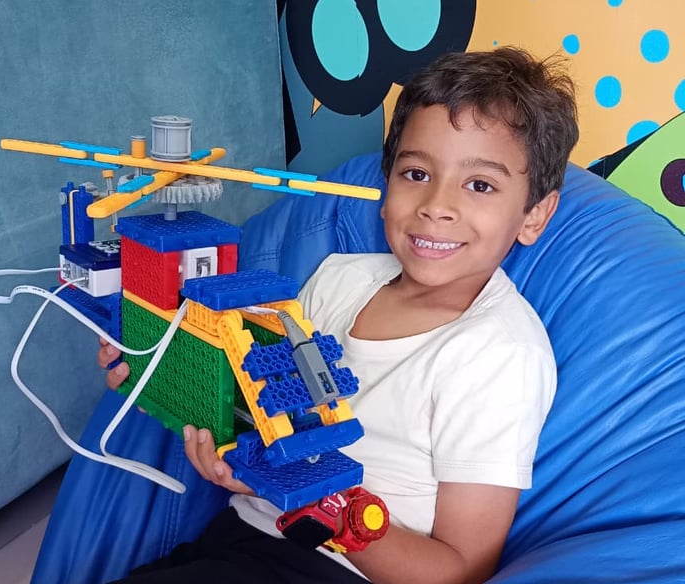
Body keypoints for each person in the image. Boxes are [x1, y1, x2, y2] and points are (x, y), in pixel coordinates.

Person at [98, 46, 579, 584]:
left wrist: (319, 505)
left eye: (480, 185)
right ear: (386, 186)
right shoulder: (340, 277)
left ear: (535, 215)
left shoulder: (500, 355)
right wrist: (159, 368)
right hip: (238, 536)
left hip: (337, 569)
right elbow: (248, 396)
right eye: (416, 173)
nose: (436, 206)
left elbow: (459, 570)